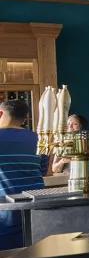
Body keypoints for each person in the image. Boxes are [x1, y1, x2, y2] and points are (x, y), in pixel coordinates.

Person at [0, 100, 45, 249]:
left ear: (1, 114)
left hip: (6, 211)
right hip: (38, 209)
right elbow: (44, 169)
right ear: (25, 119)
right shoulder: (39, 139)